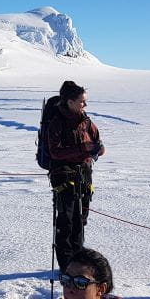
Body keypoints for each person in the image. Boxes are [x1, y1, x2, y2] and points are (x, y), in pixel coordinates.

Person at [47, 81, 104, 271]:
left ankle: (78, 263)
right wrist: (83, 149)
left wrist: (97, 149)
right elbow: (55, 152)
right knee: (67, 221)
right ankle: (66, 267)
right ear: (70, 102)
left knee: (81, 219)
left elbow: (97, 143)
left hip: (84, 175)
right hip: (63, 176)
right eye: (81, 101)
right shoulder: (57, 123)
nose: (85, 105)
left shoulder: (86, 121)